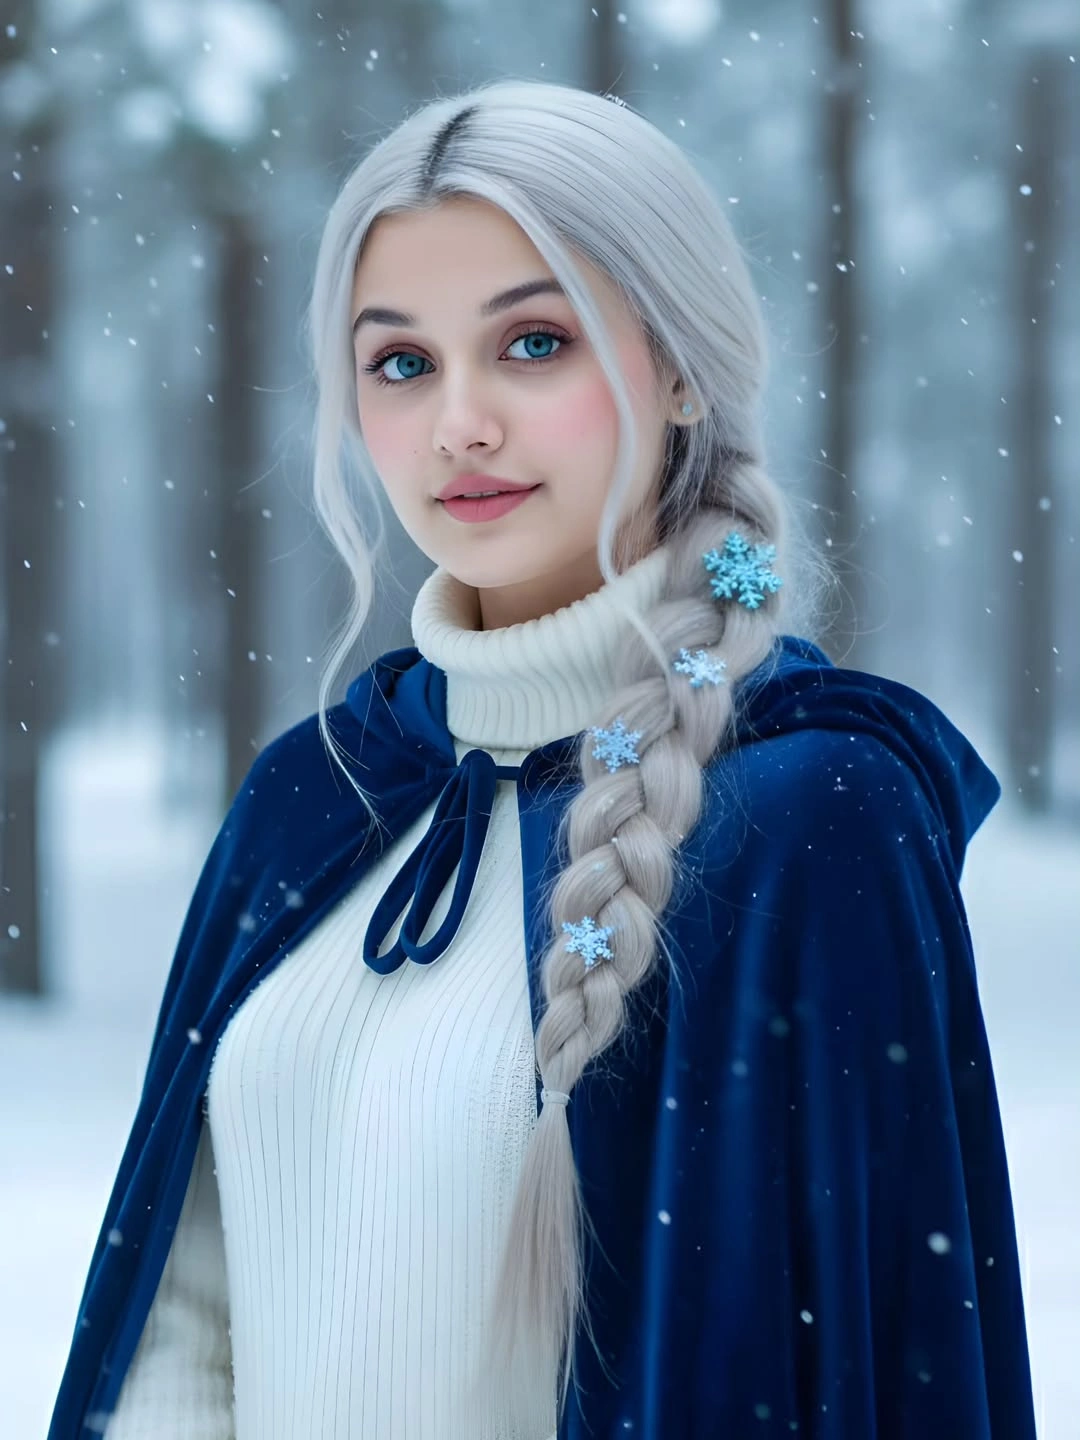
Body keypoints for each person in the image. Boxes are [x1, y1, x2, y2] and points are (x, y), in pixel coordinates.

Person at [48, 80, 1036, 1439]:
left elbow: (833, 1363)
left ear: (681, 367)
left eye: (532, 343)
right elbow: (184, 1308)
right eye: (401, 363)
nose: (459, 423)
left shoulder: (811, 812)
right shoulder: (317, 794)